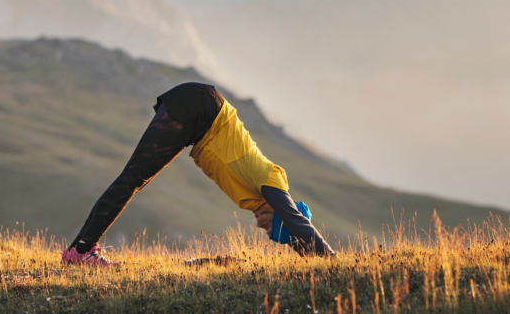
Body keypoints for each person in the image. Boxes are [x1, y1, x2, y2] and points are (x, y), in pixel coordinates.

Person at [62, 82, 335, 266]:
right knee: (132, 179)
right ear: (277, 214)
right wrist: (333, 261)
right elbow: (297, 223)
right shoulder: (271, 181)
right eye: (271, 228)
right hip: (203, 110)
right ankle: (84, 250)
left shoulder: (254, 201)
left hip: (199, 120)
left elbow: (295, 232)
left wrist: (310, 257)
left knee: (132, 179)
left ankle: (77, 251)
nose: (264, 230)